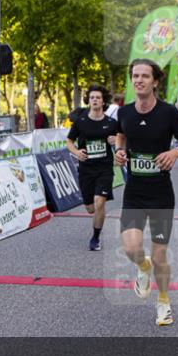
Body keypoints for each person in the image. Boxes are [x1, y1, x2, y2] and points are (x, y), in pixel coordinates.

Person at [114, 59, 178, 327]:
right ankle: (142, 267)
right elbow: (120, 135)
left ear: (155, 81)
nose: (138, 80)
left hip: (161, 194)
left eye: (144, 76)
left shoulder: (168, 113)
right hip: (134, 192)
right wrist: (119, 150)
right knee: (131, 248)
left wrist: (175, 152)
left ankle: (163, 303)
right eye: (135, 76)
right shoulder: (124, 112)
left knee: (160, 254)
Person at [66, 85, 118, 251]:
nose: (95, 100)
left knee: (99, 202)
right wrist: (76, 152)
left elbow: (122, 139)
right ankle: (95, 216)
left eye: (98, 97)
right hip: (86, 169)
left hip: (104, 168)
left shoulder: (111, 123)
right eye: (92, 97)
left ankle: (95, 237)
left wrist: (115, 139)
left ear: (103, 102)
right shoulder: (81, 122)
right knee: (90, 208)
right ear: (88, 100)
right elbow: (69, 141)